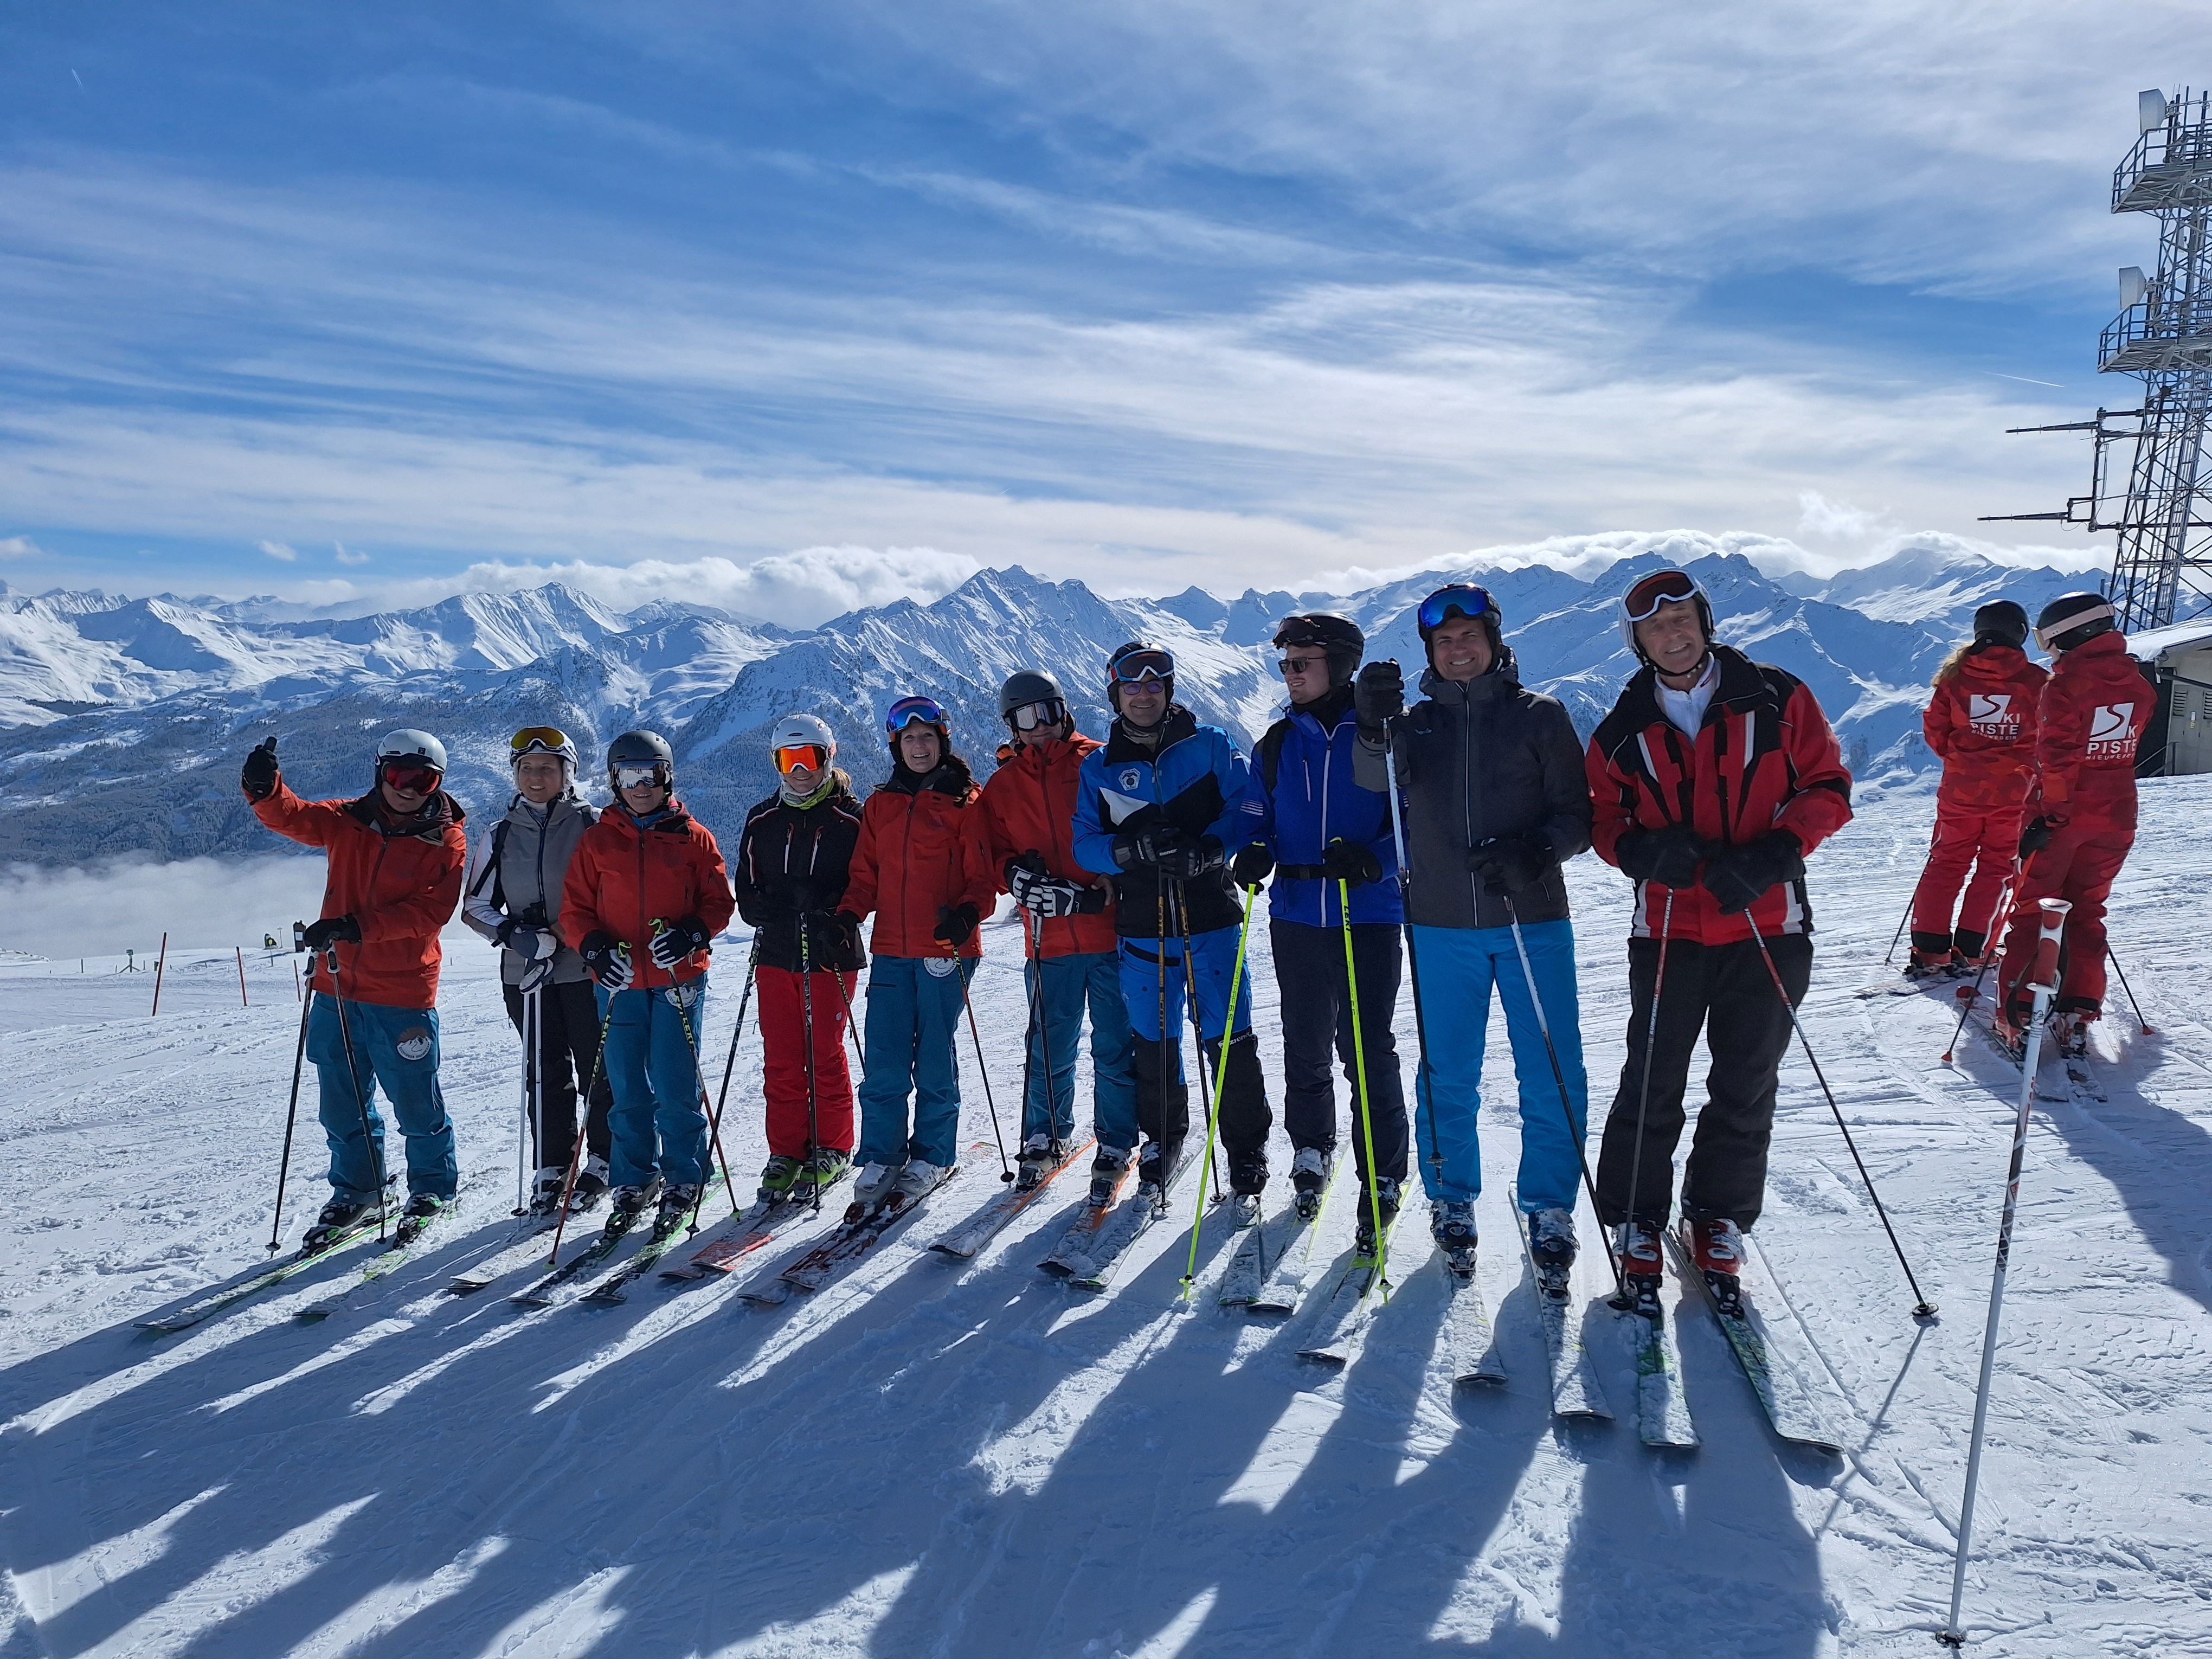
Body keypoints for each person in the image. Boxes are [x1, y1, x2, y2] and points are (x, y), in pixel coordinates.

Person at [1583, 568, 1853, 1313]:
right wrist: (1638, 853)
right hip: (1670, 927)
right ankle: (1636, 1215)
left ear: (1705, 622)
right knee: (1654, 1073)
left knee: (1747, 1076)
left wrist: (1777, 854)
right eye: (1654, 627)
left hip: (1768, 923)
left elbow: (1829, 786)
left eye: (1682, 620)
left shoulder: (1776, 696)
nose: (1673, 635)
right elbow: (1603, 820)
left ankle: (1717, 1215)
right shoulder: (1621, 729)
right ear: (1637, 642)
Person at [1350, 588, 1590, 1274]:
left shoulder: (1540, 717)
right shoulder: (1413, 724)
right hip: (1438, 923)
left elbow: (1578, 814)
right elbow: (1374, 782)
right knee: (1448, 1071)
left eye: (1469, 636)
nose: (1458, 649)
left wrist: (1537, 851)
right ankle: (1452, 1195)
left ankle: (1549, 1205)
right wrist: (1372, 724)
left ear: (1493, 641)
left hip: (1533, 918)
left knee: (1550, 1070)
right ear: (1431, 652)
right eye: (1444, 640)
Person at [240, 729, 465, 1248]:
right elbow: (294, 817)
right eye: (397, 776)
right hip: (336, 985)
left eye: (423, 780)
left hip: (403, 989)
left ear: (437, 784)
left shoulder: (446, 838)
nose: (408, 789)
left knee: (415, 1101)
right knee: (341, 1103)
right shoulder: (349, 821)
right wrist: (263, 788)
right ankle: (360, 1190)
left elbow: (431, 911)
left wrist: (354, 927)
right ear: (379, 773)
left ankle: (433, 1188)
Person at [1071, 641, 1269, 1204]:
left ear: (1169, 690)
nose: (1143, 694)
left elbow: (1247, 809)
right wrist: (1128, 850)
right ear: (1116, 693)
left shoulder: (1209, 746)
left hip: (1211, 917)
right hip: (1141, 924)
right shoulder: (1100, 767)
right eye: (1131, 686)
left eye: (1154, 685)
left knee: (1229, 1038)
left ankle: (1246, 1148)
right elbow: (1084, 844)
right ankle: (1164, 1138)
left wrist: (1210, 848)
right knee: (1155, 1042)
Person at [1238, 614, 1409, 1251]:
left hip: (1365, 913)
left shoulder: (1381, 736)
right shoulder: (1279, 743)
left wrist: (1377, 862)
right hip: (1297, 912)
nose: (1291, 674)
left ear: (1338, 665)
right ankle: (1312, 1148)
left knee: (1366, 1047)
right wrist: (1254, 850)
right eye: (1285, 664)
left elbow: (1412, 817)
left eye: (1302, 663)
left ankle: (1384, 1172)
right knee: (1305, 1041)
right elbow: (1256, 814)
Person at [560, 730, 734, 1233]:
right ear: (615, 780)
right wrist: (593, 947)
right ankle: (634, 1175)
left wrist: (693, 934)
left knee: (675, 1081)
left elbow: (719, 902)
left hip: (678, 978)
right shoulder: (597, 840)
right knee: (626, 1084)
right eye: (630, 776)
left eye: (650, 775)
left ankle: (685, 1173)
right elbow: (575, 909)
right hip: (618, 981)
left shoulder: (692, 837)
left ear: (667, 777)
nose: (641, 786)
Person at [975, 669, 1139, 1200]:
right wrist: (1013, 876)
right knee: (1048, 1047)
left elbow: (1130, 836)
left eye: (1048, 712)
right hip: (1046, 940)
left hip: (1109, 935)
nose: (1040, 726)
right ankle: (1045, 1134)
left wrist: (1104, 890)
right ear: (1012, 726)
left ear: (1064, 710)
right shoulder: (1003, 786)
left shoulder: (1098, 762)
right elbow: (989, 849)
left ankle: (1115, 1139)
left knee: (1114, 1047)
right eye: (1026, 718)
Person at [834, 695, 996, 1209]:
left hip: (946, 946)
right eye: (910, 739)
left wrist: (968, 913)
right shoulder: (882, 804)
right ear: (895, 745)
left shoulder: (966, 801)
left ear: (942, 741)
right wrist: (849, 915)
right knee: (883, 1053)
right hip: (891, 948)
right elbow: (866, 874)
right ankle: (882, 1153)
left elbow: (982, 875)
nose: (920, 747)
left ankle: (932, 1154)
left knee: (932, 1054)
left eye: (928, 737)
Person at [460, 726, 615, 1216]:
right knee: (544, 1071)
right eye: (527, 768)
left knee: (599, 1068)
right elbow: (475, 906)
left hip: (586, 970)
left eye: (548, 768)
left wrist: (576, 934)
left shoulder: (593, 824)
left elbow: (613, 894)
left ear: (568, 774)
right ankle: (553, 1165)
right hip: (526, 973)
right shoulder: (501, 833)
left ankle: (607, 1158)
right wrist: (513, 935)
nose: (536, 776)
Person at [1992, 593, 2152, 1054]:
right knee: (2086, 911)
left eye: (2049, 641)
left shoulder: (2064, 688)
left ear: (2069, 635)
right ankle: (2079, 1012)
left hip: (2065, 817)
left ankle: (2019, 1018)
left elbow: (2059, 762)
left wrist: (2050, 817)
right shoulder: (2140, 685)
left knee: (2032, 914)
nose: (2050, 652)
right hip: (2118, 814)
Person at [730, 713, 866, 1203]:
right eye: (789, 759)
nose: (800, 770)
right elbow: (746, 883)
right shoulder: (763, 818)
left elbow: (867, 882)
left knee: (824, 1053)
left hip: (831, 952)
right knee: (782, 1058)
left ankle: (833, 1144)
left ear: (828, 758)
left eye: (810, 758)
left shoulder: (852, 818)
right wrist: (755, 907)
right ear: (776, 763)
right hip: (777, 953)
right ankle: (786, 1149)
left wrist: (838, 913)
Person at [1906, 601, 2047, 976]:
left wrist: (1961, 760)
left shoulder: (1955, 678)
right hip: (2014, 793)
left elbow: (1936, 732)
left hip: (1962, 790)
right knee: (1998, 867)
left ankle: (1930, 949)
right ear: (2020, 633)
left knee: (1947, 861)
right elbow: (2050, 738)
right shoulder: (2037, 682)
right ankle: (1971, 949)